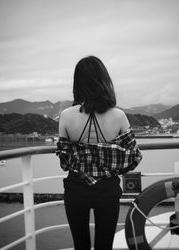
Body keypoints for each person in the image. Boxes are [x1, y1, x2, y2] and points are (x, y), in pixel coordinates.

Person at [56, 56, 142, 250]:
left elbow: (64, 160)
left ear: (77, 82)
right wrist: (108, 155)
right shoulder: (118, 115)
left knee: (81, 245)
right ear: (104, 80)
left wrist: (84, 152)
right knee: (105, 245)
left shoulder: (66, 116)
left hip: (75, 188)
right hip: (108, 189)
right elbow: (134, 156)